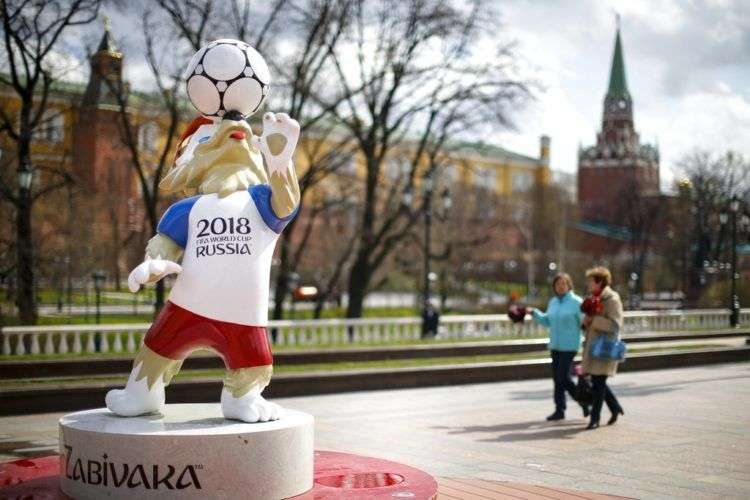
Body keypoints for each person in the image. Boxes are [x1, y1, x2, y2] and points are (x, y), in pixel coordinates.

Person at [530, 273, 587, 421]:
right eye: (557, 284)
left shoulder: (576, 302)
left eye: (563, 284)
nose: (561, 287)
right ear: (554, 287)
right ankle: (559, 410)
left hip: (570, 346)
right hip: (555, 345)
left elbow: (584, 322)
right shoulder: (553, 302)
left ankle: (584, 401)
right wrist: (534, 313)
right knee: (558, 378)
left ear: (569, 285)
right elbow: (547, 321)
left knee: (563, 377)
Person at [581, 266, 625, 430]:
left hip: (604, 348)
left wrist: (594, 320)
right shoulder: (592, 298)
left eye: (591, 281)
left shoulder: (612, 299)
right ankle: (615, 407)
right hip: (592, 347)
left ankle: (595, 418)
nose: (588, 284)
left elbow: (615, 325)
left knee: (598, 382)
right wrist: (584, 323)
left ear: (599, 282)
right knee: (598, 381)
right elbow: (588, 323)